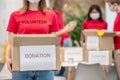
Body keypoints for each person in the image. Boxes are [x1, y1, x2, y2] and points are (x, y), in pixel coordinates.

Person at [6, 0, 59, 80]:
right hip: (21, 67)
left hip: (45, 67)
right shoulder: (15, 15)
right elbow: (11, 43)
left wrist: (58, 60)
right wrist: (7, 58)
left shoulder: (51, 15)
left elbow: (54, 43)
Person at [51, 0, 77, 76]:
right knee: (57, 68)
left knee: (65, 66)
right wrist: (66, 29)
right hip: (59, 42)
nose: (65, 5)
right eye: (64, 3)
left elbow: (61, 27)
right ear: (59, 3)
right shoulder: (52, 14)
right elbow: (55, 32)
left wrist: (68, 27)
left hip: (65, 40)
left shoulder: (60, 13)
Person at [107, 0, 120, 79]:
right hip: (116, 48)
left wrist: (114, 34)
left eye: (109, 5)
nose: (110, 8)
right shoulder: (117, 15)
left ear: (115, 4)